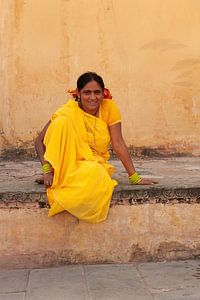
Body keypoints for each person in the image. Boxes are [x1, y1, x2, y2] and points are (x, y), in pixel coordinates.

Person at [35, 72, 157, 223]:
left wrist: (135, 177)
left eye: (97, 92)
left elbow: (118, 143)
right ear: (78, 93)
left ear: (103, 93)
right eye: (87, 92)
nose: (92, 97)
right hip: (68, 162)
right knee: (61, 123)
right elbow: (39, 141)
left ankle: (61, 178)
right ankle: (58, 174)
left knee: (97, 174)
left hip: (92, 163)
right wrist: (46, 171)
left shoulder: (109, 108)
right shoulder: (67, 112)